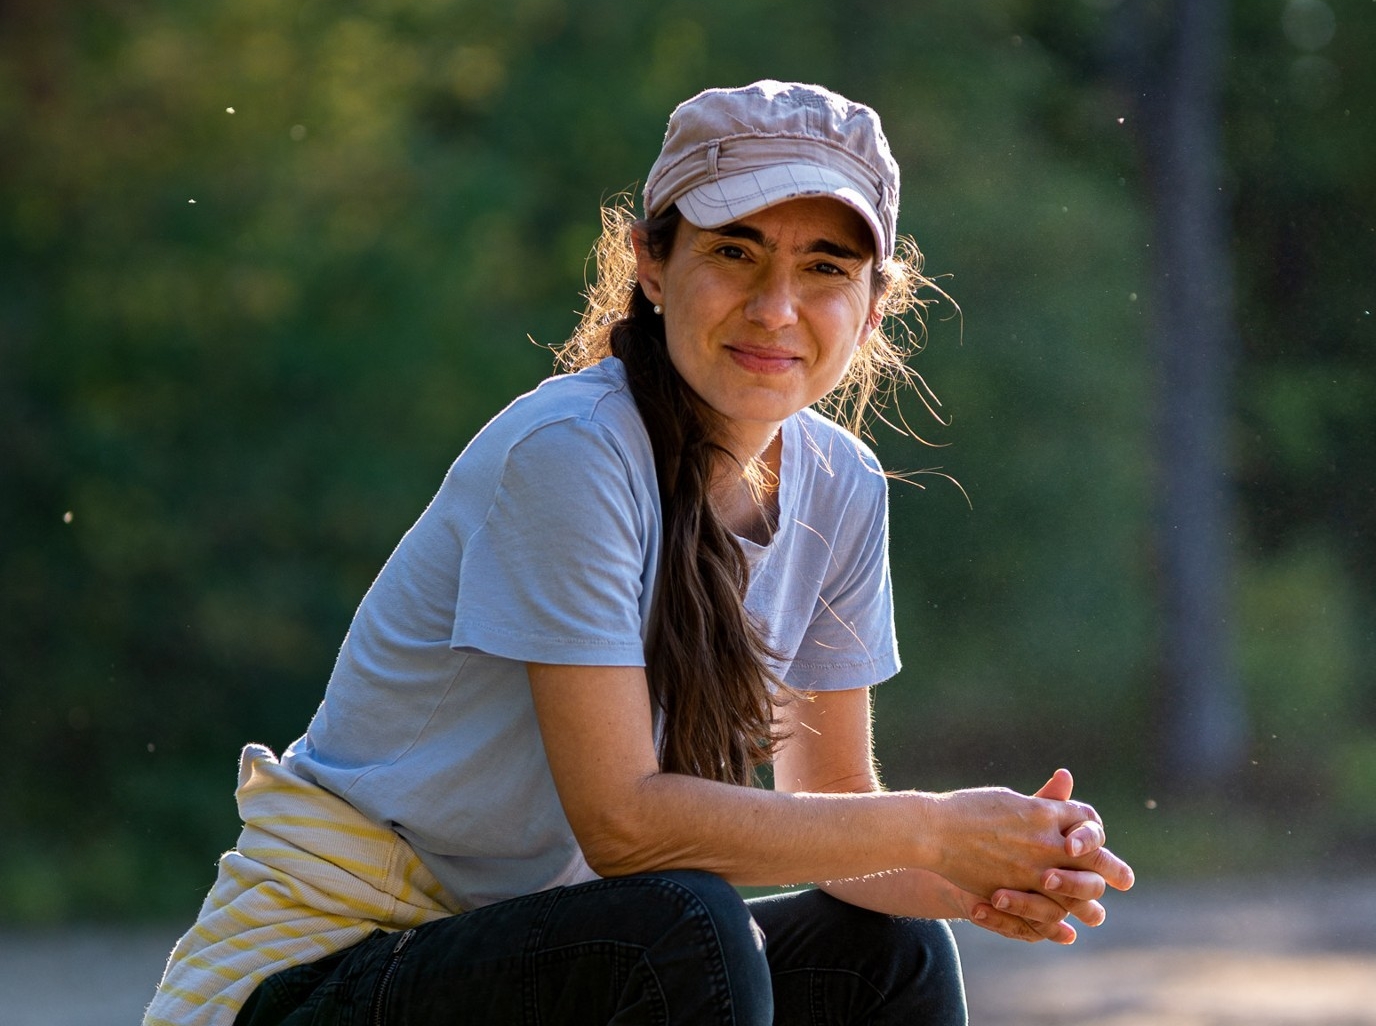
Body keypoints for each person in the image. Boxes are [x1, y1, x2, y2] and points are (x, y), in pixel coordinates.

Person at [144, 80, 1133, 1026]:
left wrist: (996, 868)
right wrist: (934, 827)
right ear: (651, 265)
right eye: (734, 253)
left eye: (824, 268)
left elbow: (837, 827)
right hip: (310, 978)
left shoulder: (840, 483)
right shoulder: (572, 452)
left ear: (874, 304)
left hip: (542, 963)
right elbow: (623, 822)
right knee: (679, 929)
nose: (775, 307)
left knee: (889, 949)